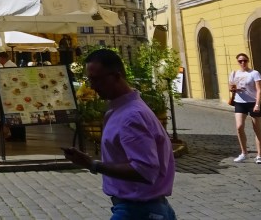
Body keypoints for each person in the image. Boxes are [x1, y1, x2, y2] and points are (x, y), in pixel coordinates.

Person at [63, 49, 176, 220]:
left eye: (96, 80)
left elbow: (144, 170)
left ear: (116, 76)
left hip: (139, 210)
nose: (92, 86)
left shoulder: (131, 117)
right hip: (142, 207)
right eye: (89, 80)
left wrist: (93, 164)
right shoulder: (124, 109)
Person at [229, 52, 261, 164]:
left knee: (257, 129)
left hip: (253, 102)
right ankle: (244, 153)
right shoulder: (234, 73)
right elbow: (230, 87)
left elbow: (259, 90)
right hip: (240, 102)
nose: (243, 62)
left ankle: (259, 156)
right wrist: (233, 90)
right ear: (238, 62)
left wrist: (257, 104)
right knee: (239, 127)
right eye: (240, 61)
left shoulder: (254, 73)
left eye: (245, 60)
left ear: (248, 61)